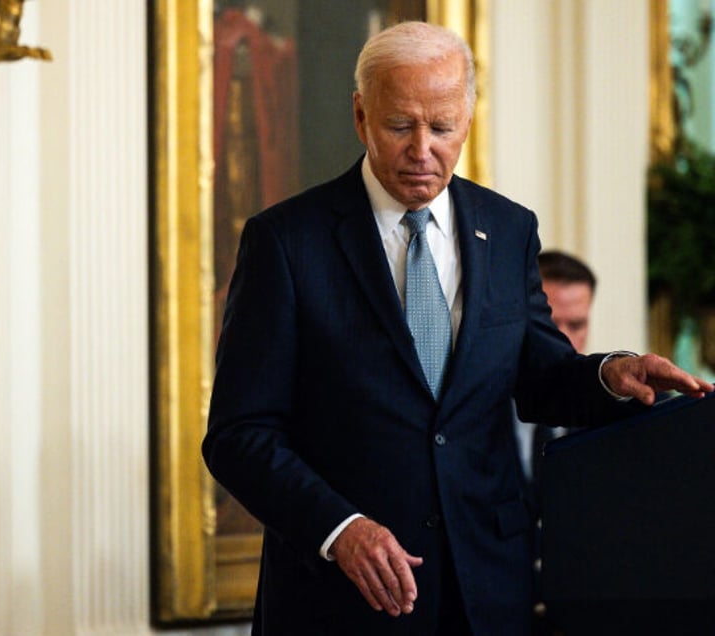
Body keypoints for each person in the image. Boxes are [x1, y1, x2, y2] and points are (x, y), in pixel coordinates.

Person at [202, 21, 712, 636]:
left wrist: (610, 373)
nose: (423, 149)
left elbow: (540, 377)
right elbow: (239, 435)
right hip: (342, 598)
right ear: (361, 116)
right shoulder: (286, 242)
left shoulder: (509, 229)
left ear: (467, 119)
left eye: (442, 128)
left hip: (488, 588)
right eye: (399, 126)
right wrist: (340, 532)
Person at [514, 250, 597, 496]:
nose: (562, 340)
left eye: (576, 325)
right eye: (549, 323)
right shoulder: (474, 407)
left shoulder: (603, 413)